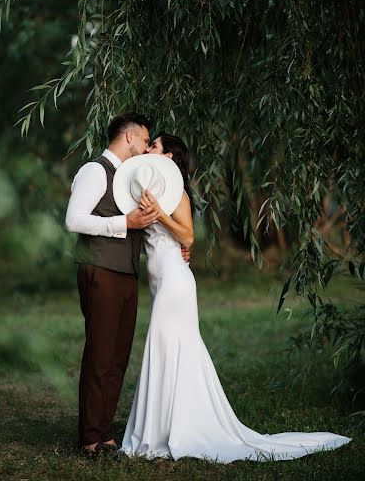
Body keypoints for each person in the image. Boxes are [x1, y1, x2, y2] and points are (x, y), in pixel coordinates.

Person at [118, 133, 352, 464]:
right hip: (160, 282)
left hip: (175, 283)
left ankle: (170, 430)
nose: (148, 149)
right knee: (173, 349)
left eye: (153, 145)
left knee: (165, 344)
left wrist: (159, 214)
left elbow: (187, 236)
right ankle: (163, 425)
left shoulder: (178, 195)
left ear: (168, 157)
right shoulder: (149, 194)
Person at [65, 114, 190, 457]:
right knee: (100, 356)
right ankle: (90, 438)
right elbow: (73, 219)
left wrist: (180, 240)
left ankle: (105, 434)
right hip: (101, 271)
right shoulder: (95, 171)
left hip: (126, 274)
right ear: (131, 137)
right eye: (145, 140)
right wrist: (125, 222)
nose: (147, 148)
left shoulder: (128, 179)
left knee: (118, 357)